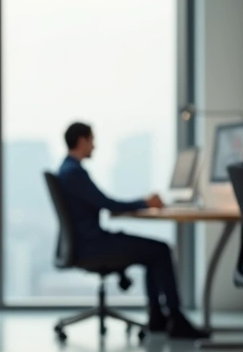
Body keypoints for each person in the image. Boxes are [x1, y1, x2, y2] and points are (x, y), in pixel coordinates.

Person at [57, 122, 209, 339]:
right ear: (82, 141)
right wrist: (145, 203)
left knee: (154, 252)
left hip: (85, 242)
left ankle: (158, 318)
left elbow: (103, 203)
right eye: (92, 140)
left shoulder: (66, 170)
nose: (94, 146)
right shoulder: (74, 173)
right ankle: (175, 319)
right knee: (160, 250)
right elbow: (108, 203)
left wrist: (143, 203)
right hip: (92, 245)